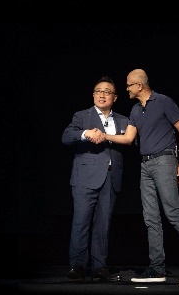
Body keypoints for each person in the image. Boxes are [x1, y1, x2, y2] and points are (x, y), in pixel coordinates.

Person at [102, 68, 179, 284]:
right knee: (150, 217)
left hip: (164, 161)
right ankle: (157, 268)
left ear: (139, 85)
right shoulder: (135, 110)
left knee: (173, 212)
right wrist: (103, 135)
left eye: (129, 85)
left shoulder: (164, 102)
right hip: (145, 165)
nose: (126, 89)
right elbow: (128, 138)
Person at [61, 76, 128, 282]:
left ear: (115, 97)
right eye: (98, 91)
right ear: (93, 95)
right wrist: (85, 133)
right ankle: (78, 266)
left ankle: (100, 267)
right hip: (85, 177)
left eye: (107, 92)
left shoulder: (123, 120)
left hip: (111, 178)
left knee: (103, 225)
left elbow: (131, 142)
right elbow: (66, 137)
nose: (102, 95)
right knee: (81, 222)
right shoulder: (82, 116)